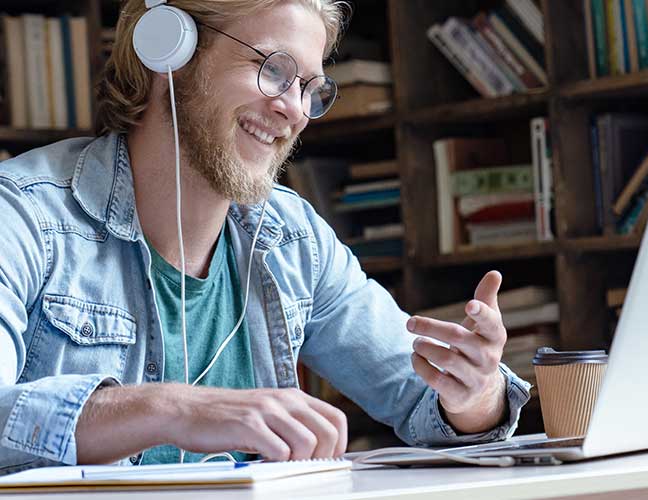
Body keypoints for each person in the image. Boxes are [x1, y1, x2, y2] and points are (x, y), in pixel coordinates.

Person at [0, 0, 530, 471]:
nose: (296, 111)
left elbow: (426, 403)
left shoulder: (293, 239)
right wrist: (171, 409)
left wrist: (475, 392)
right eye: (273, 69)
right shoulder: (23, 215)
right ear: (168, 51)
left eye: (309, 89)